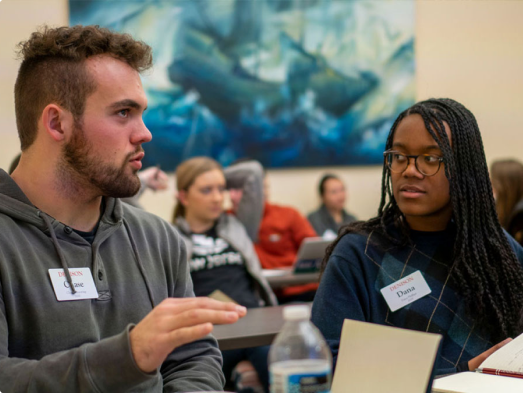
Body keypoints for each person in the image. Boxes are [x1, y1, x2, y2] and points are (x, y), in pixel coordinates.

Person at [0, 25, 247, 392]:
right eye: (122, 113)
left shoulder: (158, 238)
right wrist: (127, 356)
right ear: (57, 123)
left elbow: (194, 359)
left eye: (141, 113)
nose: (144, 133)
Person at [311, 98, 523, 376]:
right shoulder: (358, 254)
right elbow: (326, 364)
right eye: (399, 157)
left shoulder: (497, 248)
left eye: (430, 158)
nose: (410, 170)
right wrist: (459, 374)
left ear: (463, 171)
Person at [173, 156, 277, 392]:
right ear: (183, 196)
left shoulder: (237, 225)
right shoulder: (169, 236)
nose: (218, 197)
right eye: (206, 190)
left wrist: (211, 173)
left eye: (221, 189)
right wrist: (150, 181)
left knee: (278, 365)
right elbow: (122, 202)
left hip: (254, 323)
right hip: (210, 333)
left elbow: (253, 172)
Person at [227, 161, 318, 302]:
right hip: (260, 295)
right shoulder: (224, 222)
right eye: (229, 189)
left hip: (301, 290)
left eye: (240, 189)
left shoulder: (288, 214)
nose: (232, 196)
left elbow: (317, 252)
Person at [307, 173, 358, 240]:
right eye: (334, 192)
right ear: (322, 196)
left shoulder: (352, 219)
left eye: (342, 190)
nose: (340, 195)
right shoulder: (313, 219)